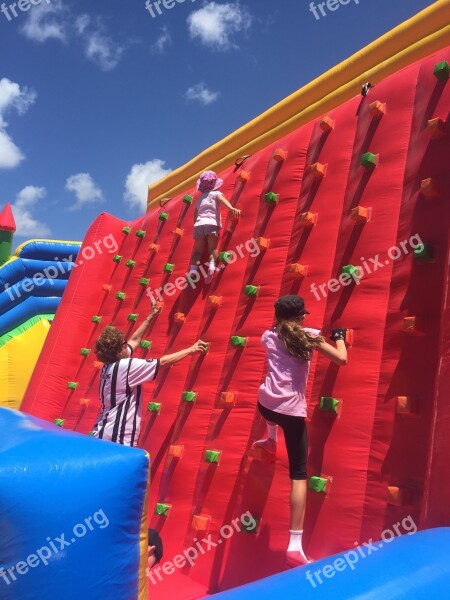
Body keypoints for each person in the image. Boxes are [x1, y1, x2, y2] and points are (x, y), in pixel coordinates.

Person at [253, 295, 348, 567]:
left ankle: (270, 438)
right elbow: (341, 360)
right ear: (300, 317)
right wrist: (339, 337)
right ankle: (294, 543)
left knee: (267, 403)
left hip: (266, 405)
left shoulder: (268, 336)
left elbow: (278, 336)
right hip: (291, 414)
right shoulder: (309, 337)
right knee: (298, 475)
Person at [92, 303, 208, 447]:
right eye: (123, 344)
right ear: (118, 352)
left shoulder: (107, 367)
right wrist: (191, 349)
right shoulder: (126, 367)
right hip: (118, 437)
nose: (126, 344)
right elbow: (162, 363)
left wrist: (151, 316)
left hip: (103, 430)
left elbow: (134, 341)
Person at [188, 170, 241, 283]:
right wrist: (232, 209)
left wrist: (196, 225)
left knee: (197, 251)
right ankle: (211, 267)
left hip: (199, 225)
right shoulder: (216, 193)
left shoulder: (200, 199)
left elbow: (195, 215)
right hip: (211, 223)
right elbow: (222, 201)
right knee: (212, 249)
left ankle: (193, 271)